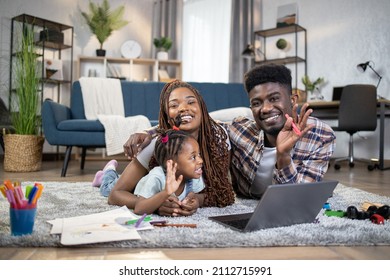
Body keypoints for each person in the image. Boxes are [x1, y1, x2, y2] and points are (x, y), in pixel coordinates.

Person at [124, 64, 336, 200]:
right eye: (256, 102)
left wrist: (283, 156)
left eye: (274, 99)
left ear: (292, 100)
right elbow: (200, 123)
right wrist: (149, 131)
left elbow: (296, 201)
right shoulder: (239, 130)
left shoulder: (319, 136)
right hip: (247, 196)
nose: (265, 108)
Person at [105, 80, 235, 216]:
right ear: (168, 117)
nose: (184, 108)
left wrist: (198, 199)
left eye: (191, 102)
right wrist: (155, 203)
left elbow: (222, 189)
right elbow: (115, 194)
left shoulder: (219, 138)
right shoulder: (155, 145)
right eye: (174, 105)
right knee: (108, 184)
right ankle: (108, 172)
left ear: (202, 107)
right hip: (146, 186)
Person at [133, 129, 204, 215]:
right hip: (136, 191)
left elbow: (197, 195)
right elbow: (139, 208)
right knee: (112, 183)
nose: (200, 160)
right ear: (173, 163)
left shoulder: (193, 176)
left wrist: (193, 198)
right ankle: (111, 169)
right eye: (193, 157)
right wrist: (166, 192)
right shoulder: (157, 177)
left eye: (199, 154)